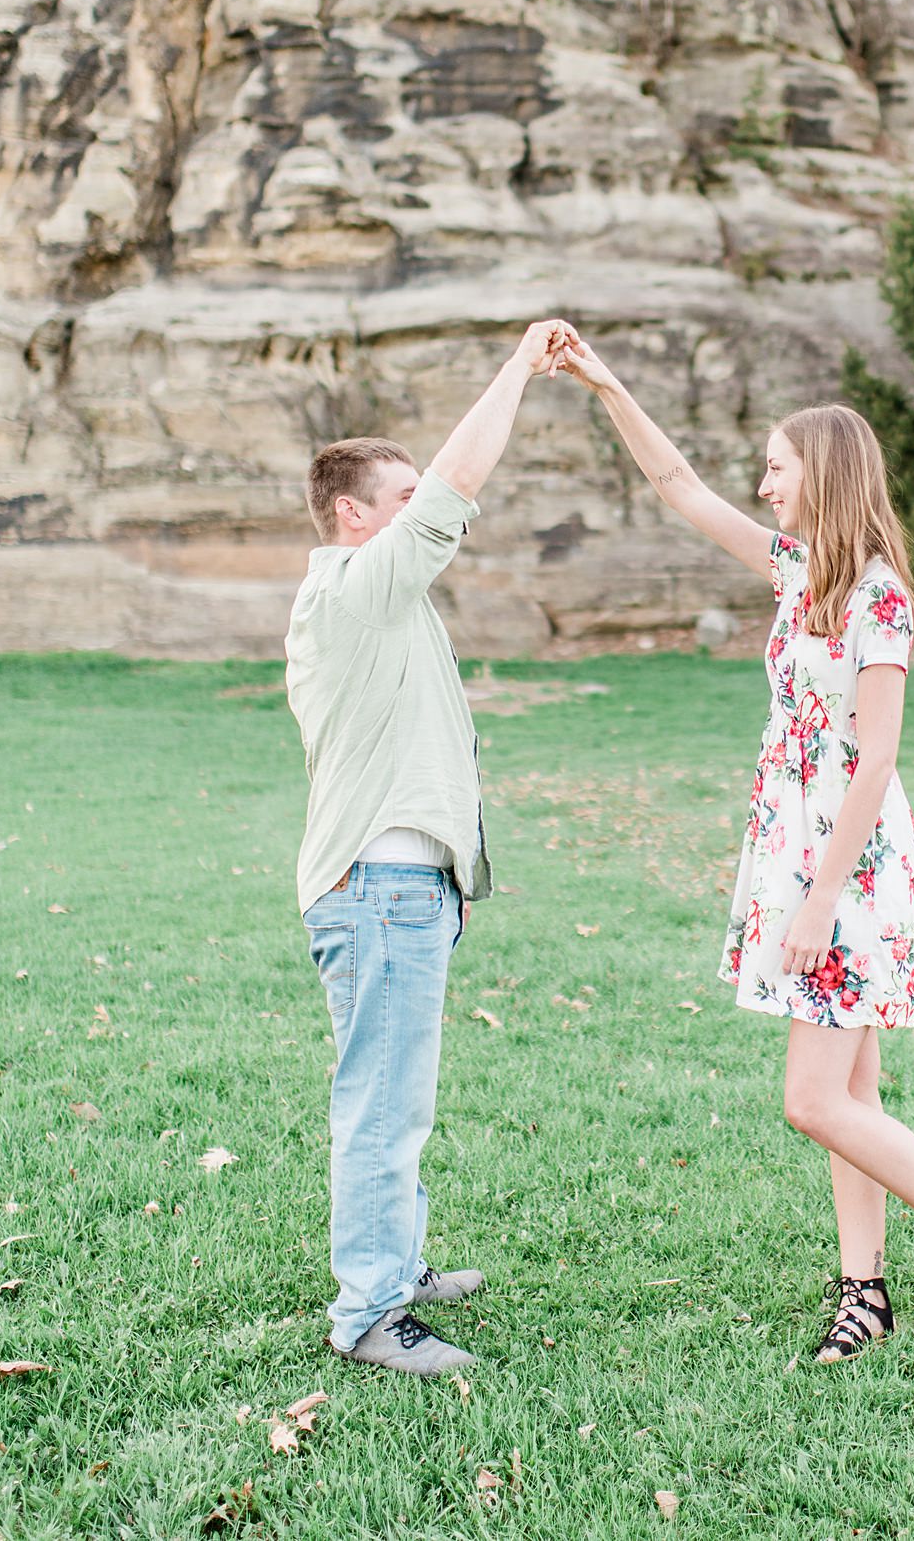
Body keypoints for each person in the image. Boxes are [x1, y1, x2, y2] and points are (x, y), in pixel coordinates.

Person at [557, 342, 914, 1358]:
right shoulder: (795, 570)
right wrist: (605, 385)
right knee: (848, 1096)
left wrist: (815, 901)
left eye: (778, 465)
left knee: (810, 1098)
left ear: (826, 472)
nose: (763, 483)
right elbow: (676, 484)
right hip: (799, 850)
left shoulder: (877, 596)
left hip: (847, 870)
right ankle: (866, 1289)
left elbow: (877, 754)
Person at [286, 317, 578, 1375]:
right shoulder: (352, 591)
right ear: (353, 515)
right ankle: (369, 1314)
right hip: (378, 888)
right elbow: (456, 481)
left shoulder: (386, 602)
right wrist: (518, 367)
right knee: (381, 1103)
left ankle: (396, 1271)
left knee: (396, 1095)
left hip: (406, 887)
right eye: (402, 502)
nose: (427, 516)